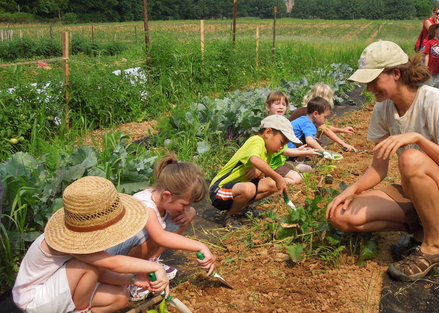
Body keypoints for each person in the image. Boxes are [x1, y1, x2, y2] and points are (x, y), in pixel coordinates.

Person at [325, 41, 439, 282]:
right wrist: (351, 190)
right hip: (418, 193)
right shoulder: (383, 109)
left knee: (410, 157)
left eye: (373, 80)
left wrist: (418, 138)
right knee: (341, 215)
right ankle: (421, 230)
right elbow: (379, 168)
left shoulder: (434, 100)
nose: (368, 88)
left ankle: (434, 245)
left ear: (396, 73)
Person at [12, 176, 170, 313]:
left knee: (120, 297)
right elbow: (112, 263)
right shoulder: (72, 242)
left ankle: (80, 309)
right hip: (35, 300)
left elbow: (99, 272)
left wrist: (133, 279)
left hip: (61, 288)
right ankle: (80, 310)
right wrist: (154, 267)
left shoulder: (85, 238)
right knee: (86, 265)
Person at [105, 154, 216, 301]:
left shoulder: (163, 201)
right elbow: (160, 237)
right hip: (113, 256)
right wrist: (200, 246)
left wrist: (191, 212)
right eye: (185, 204)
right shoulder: (145, 205)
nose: (187, 208)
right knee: (151, 234)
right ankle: (131, 275)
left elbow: (169, 229)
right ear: (166, 195)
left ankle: (151, 260)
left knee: (179, 219)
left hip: (131, 249)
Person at [209, 114, 302, 228]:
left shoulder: (268, 153)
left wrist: (260, 172)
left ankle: (242, 208)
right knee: (250, 188)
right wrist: (277, 177)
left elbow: (257, 166)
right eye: (282, 142)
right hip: (219, 191)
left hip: (236, 191)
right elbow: (254, 159)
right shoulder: (256, 140)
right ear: (268, 132)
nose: (282, 147)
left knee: (272, 184)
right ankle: (230, 215)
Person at [248, 91, 320, 186]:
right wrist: (305, 152)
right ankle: (273, 183)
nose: (281, 107)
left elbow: (284, 149)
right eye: (277, 104)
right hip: (272, 166)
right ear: (268, 107)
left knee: (308, 169)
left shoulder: (283, 123)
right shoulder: (269, 126)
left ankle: (278, 180)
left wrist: (298, 150)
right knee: (299, 178)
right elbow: (283, 151)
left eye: (284, 104)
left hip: (282, 162)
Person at [290, 83, 356, 152]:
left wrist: (341, 130)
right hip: (292, 145)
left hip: (293, 141)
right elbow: (324, 129)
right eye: (325, 117)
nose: (325, 119)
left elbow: (324, 126)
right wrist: (342, 144)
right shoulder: (308, 114)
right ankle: (308, 152)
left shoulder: (309, 112)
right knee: (318, 130)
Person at [423, 20, 439, 88]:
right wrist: (425, 66)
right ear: (435, 30)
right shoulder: (430, 42)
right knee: (429, 87)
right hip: (431, 69)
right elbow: (427, 55)